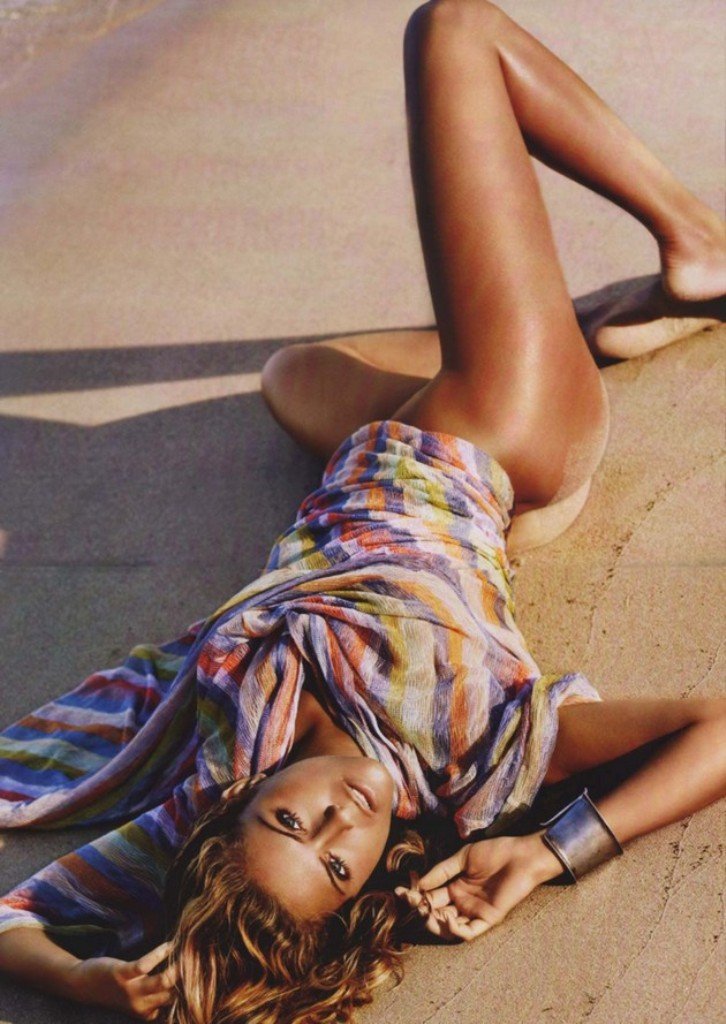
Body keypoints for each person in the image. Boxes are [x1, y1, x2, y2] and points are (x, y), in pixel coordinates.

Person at [0, 2, 724, 1022]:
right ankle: (695, 245)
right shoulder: (469, 753)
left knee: (290, 376)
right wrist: (547, 852)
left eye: (293, 824)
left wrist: (77, 976)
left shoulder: (222, 764)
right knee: (454, 31)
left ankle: (583, 327)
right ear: (366, 886)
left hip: (368, 466)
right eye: (341, 865)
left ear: (239, 810)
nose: (341, 818)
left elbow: (16, 914)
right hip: (502, 433)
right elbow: (717, 728)